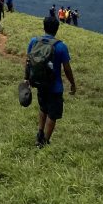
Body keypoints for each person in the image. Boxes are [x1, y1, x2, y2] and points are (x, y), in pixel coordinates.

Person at [25, 15, 76, 148]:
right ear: (57, 29)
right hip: (55, 87)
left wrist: (27, 78)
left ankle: (39, 134)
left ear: (44, 27)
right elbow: (67, 69)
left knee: (43, 108)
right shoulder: (61, 47)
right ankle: (44, 143)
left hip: (39, 82)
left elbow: (28, 61)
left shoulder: (34, 41)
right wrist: (72, 83)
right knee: (52, 114)